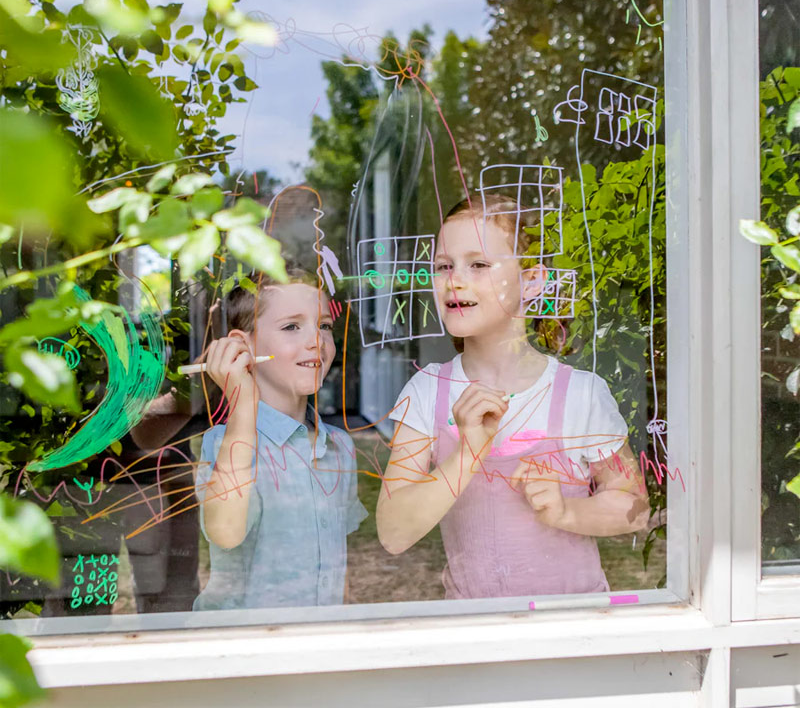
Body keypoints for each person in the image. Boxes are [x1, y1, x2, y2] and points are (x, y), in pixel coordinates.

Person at [376, 194, 650, 599]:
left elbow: (634, 507)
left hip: (569, 634)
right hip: (473, 637)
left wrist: (565, 511)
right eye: (443, 266)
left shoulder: (580, 392)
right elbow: (394, 533)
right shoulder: (427, 391)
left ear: (532, 280)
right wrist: (468, 453)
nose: (454, 279)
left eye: (479, 264)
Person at [193, 271, 367, 610]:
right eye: (291, 327)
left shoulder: (339, 447)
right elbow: (226, 531)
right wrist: (242, 401)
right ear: (244, 346)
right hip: (248, 652)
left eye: (325, 325)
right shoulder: (222, 443)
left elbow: (336, 564)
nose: (316, 341)